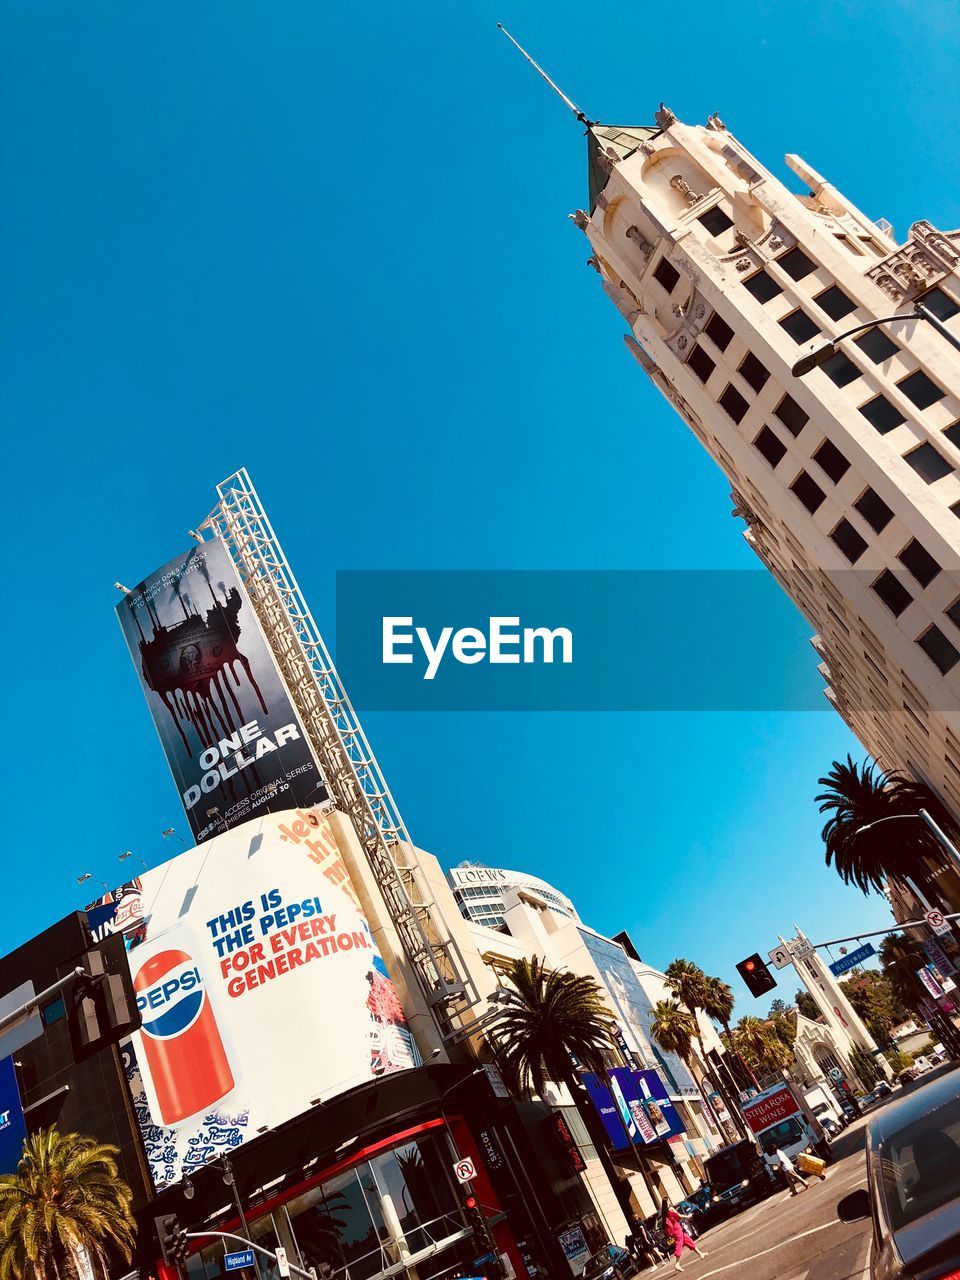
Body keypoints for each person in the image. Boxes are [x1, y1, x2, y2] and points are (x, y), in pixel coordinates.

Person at [658, 1201, 707, 1273]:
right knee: (679, 1244)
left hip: (676, 1229)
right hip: (677, 1229)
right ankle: (677, 1264)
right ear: (666, 1203)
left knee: (688, 1241)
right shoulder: (670, 1209)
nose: (669, 1202)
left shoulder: (664, 1213)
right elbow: (679, 1215)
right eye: (668, 1201)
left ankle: (701, 1253)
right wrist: (688, 1216)